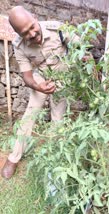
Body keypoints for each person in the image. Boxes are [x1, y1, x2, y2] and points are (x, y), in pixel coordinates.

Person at [1, 6, 73, 179]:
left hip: (63, 77)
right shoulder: (18, 45)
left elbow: (80, 48)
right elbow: (27, 76)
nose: (32, 34)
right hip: (41, 78)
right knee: (28, 117)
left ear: (34, 17)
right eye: (25, 33)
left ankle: (56, 158)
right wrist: (38, 87)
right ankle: (13, 158)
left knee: (58, 119)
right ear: (18, 33)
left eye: (32, 27)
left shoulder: (58, 29)